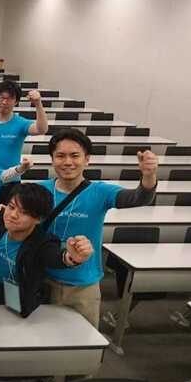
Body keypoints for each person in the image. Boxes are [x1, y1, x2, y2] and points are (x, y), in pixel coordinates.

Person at [40, 128, 157, 327]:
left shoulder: (101, 191)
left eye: (75, 155)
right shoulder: (39, 190)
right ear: (52, 159)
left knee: (84, 341)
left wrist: (149, 177)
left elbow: (138, 198)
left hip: (83, 285)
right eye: (60, 156)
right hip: (44, 279)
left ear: (87, 159)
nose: (67, 162)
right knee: (42, 337)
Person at [0, 183, 93, 317]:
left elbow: (54, 256)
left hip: (13, 296)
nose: (13, 215)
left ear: (39, 219)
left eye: (24, 212)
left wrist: (72, 258)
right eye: (11, 207)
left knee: (7, 323)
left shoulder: (42, 243)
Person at [0, 81, 48, 203]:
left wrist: (38, 103)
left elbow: (41, 129)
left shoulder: (21, 123)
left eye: (10, 99)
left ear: (16, 102)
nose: (4, 102)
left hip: (11, 182)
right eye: (1, 98)